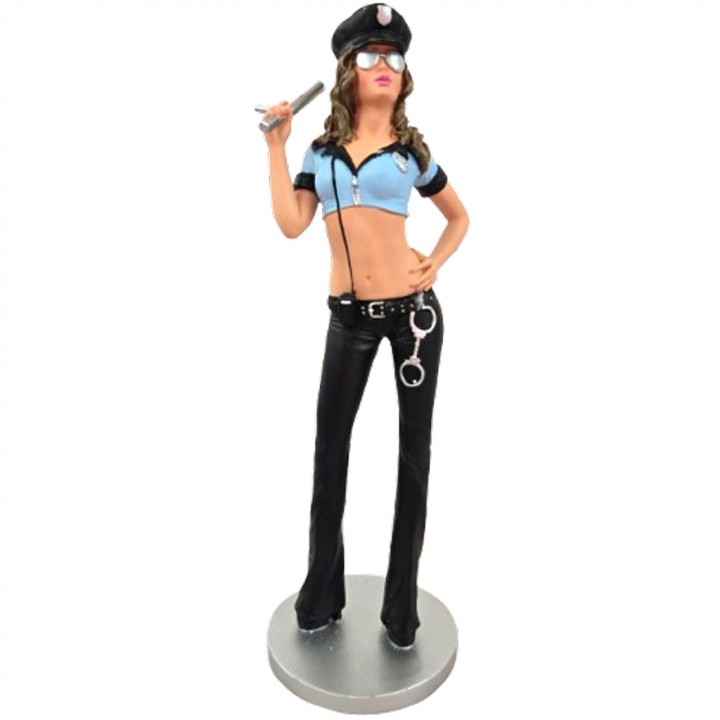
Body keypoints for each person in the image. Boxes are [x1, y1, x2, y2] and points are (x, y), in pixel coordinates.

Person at [262, 4, 469, 650]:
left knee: (413, 459)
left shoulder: (412, 153)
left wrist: (434, 263)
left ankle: (401, 614)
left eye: (394, 57)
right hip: (347, 319)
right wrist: (276, 147)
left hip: (414, 319)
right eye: (371, 56)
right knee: (329, 452)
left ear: (404, 77)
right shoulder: (321, 155)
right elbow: (292, 224)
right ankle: (321, 598)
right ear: (348, 71)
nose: (385, 66)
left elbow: (459, 217)